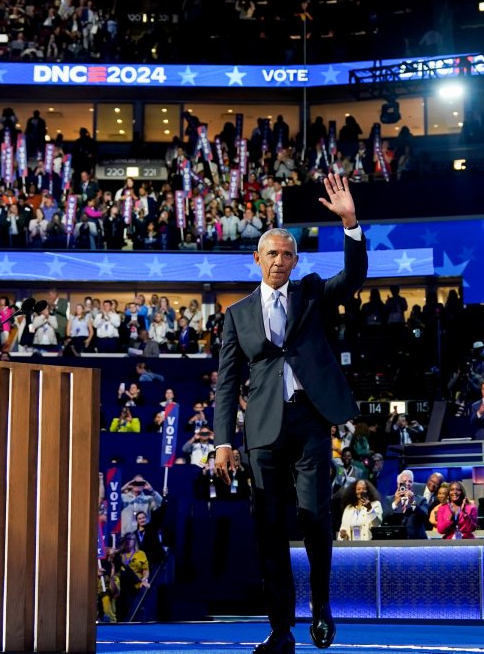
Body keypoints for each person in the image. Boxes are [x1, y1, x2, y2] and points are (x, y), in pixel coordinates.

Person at [213, 174, 366, 653]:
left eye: (287, 254)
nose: (280, 261)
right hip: (262, 433)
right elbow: (227, 383)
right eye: (272, 254)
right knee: (269, 530)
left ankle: (321, 607)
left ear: (296, 261)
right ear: (257, 260)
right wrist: (222, 441)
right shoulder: (236, 315)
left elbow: (354, 277)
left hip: (310, 422)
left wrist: (351, 224)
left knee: (315, 518)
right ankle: (281, 629)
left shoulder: (312, 294)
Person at [383, 470, 429, 540]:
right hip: (396, 541)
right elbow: (383, 518)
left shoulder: (421, 499)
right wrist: (395, 503)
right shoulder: (389, 500)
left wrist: (412, 502)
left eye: (410, 481)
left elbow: (424, 516)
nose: (407, 484)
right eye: (404, 481)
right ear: (398, 484)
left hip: (416, 541)